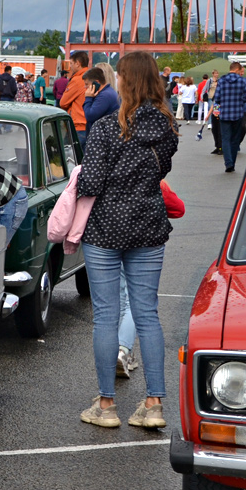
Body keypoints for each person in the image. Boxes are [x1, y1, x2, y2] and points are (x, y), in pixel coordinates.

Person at [76, 50, 179, 429]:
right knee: (148, 314)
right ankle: (153, 403)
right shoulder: (167, 128)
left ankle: (106, 405)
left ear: (126, 80)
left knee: (105, 315)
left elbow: (90, 183)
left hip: (105, 228)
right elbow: (160, 171)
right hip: (149, 225)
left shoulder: (105, 128)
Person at [212, 61, 246, 172]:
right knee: (235, 140)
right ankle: (232, 163)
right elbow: (245, 98)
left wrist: (217, 111)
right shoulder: (242, 81)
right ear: (238, 70)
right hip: (237, 114)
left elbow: (217, 98)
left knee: (225, 139)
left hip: (224, 114)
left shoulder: (221, 81)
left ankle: (228, 163)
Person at [59, 51, 90, 142]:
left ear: (78, 64)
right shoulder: (91, 77)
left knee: (69, 154)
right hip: (88, 123)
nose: (70, 67)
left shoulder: (77, 80)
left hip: (78, 125)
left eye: (71, 63)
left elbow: (63, 103)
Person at [82, 67, 119, 139]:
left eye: (87, 84)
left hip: (102, 138)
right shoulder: (108, 92)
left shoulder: (104, 96)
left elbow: (90, 115)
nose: (85, 87)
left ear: (96, 83)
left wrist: (88, 98)